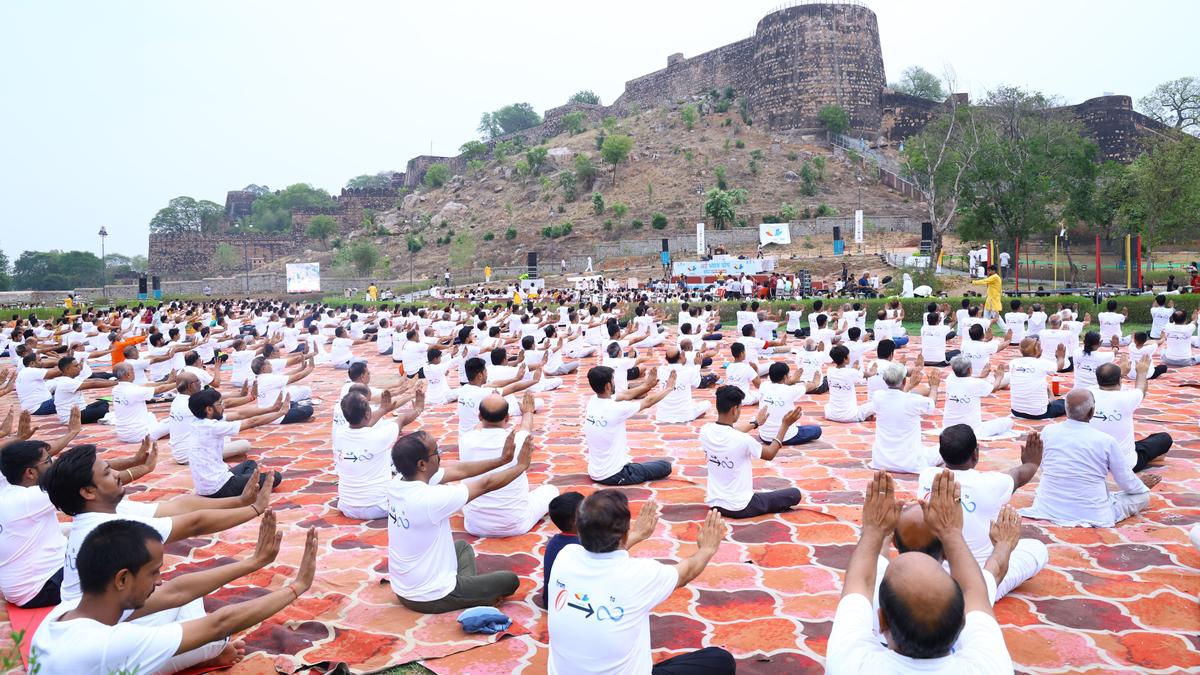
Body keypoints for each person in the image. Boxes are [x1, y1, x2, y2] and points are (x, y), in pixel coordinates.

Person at [30, 515, 317, 675]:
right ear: (122, 578)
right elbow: (218, 624)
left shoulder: (64, 612)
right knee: (216, 636)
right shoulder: (109, 644)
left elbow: (177, 591)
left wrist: (253, 562)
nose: (159, 580)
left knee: (185, 598)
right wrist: (296, 587)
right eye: (154, 572)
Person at [826, 470, 1013, 673]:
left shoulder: (849, 665)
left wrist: (874, 530)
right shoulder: (990, 667)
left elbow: (860, 581)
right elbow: (974, 590)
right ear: (963, 621)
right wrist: (952, 533)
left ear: (881, 621)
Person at [547, 491, 736, 675]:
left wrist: (637, 534)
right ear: (623, 535)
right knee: (720, 660)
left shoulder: (565, 556)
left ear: (578, 530)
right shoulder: (640, 576)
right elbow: (685, 572)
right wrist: (708, 548)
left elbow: (602, 555)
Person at [386, 429, 532, 613]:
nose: (440, 456)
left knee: (462, 547)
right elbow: (485, 484)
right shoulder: (430, 498)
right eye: (436, 452)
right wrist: (520, 466)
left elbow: (459, 470)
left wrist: (502, 460)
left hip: (403, 588)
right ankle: (468, 596)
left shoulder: (398, 482)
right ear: (422, 464)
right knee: (510, 580)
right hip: (432, 597)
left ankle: (469, 592)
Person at [919, 425, 1048, 599]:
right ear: (976, 453)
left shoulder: (927, 476)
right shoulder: (992, 484)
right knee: (1037, 549)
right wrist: (1032, 463)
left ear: (942, 455)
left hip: (933, 579)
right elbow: (1018, 475)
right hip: (981, 584)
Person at [1022, 389, 1160, 527]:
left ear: (1066, 409)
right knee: (1142, 496)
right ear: (1092, 411)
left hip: (1048, 506)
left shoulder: (1048, 431)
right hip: (1094, 513)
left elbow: (1047, 467)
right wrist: (1141, 487)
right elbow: (1125, 479)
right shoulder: (1106, 441)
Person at [0, 412, 81, 608]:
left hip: (21, 589)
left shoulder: (9, 488)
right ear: (29, 473)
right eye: (49, 463)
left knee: (79, 528)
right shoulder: (30, 498)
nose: (52, 465)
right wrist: (136, 466)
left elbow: (39, 457)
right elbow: (87, 478)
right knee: (115, 553)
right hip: (42, 589)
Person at [461, 393, 559, 537]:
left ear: (480, 417)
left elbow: (478, 427)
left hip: (475, 524)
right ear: (507, 418)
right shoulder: (518, 440)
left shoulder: (466, 440)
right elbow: (526, 427)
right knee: (551, 490)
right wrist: (528, 412)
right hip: (515, 524)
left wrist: (485, 415)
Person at [700, 386, 803, 518]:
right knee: (794, 494)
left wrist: (756, 423)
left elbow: (731, 433)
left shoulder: (705, 431)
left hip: (715, 505)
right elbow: (770, 453)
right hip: (741, 507)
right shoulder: (743, 440)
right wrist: (784, 425)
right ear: (734, 409)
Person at [333, 388, 420, 520]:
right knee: (415, 466)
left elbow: (367, 422)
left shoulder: (338, 433)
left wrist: (383, 410)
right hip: (379, 507)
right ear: (367, 414)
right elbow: (401, 419)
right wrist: (418, 408)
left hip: (347, 507)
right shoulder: (379, 436)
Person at [187, 387, 287, 498]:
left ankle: (245, 484)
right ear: (209, 410)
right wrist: (281, 413)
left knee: (249, 464)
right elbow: (252, 421)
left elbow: (240, 414)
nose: (223, 406)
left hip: (209, 484)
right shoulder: (212, 426)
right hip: (218, 488)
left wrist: (272, 409)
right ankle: (243, 488)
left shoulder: (197, 421)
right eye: (220, 403)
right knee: (275, 477)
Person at [583, 365, 676, 485]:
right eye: (613, 380)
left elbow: (625, 395)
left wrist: (646, 386)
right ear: (608, 386)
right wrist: (669, 388)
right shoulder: (616, 409)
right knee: (665, 466)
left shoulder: (593, 401)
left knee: (650, 465)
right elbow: (647, 402)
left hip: (595, 472)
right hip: (615, 474)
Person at [1091, 360, 1172, 472]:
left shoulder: (1085, 394)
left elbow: (1103, 384)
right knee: (1164, 438)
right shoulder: (1127, 398)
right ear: (1120, 380)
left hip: (1091, 461)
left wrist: (1120, 373)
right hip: (1124, 464)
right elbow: (1141, 390)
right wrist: (1142, 372)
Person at [869, 362, 942, 473]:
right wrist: (934, 387)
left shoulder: (877, 396)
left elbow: (897, 399)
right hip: (909, 463)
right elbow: (931, 403)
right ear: (904, 381)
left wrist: (910, 386)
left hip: (881, 461)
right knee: (945, 449)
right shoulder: (912, 400)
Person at [943, 356, 1013, 439]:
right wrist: (999, 377)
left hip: (947, 428)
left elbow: (966, 380)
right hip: (973, 430)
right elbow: (993, 388)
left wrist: (981, 376)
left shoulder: (949, 378)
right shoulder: (976, 383)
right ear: (970, 370)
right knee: (1008, 422)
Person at [758, 362, 823, 445]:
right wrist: (816, 382)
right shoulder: (791, 390)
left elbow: (780, 386)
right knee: (816, 430)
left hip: (765, 436)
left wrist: (791, 380)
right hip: (786, 437)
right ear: (785, 377)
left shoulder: (763, 386)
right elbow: (809, 386)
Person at [539, 491, 583, 608]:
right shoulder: (584, 546)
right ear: (576, 522)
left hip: (550, 600)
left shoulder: (553, 542)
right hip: (569, 605)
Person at [1009, 337, 1067, 419]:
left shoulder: (1013, 363)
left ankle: (1050, 400)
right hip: (1039, 413)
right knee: (1065, 402)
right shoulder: (1041, 363)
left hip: (1016, 411)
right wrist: (1060, 356)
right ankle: (1051, 401)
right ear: (1037, 351)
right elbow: (1059, 366)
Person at [654, 348, 709, 423]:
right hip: (685, 415)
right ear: (680, 357)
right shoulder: (688, 371)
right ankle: (695, 413)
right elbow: (696, 385)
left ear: (666, 359)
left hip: (662, 416)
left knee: (692, 402)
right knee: (707, 404)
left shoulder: (661, 370)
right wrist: (698, 365)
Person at [824, 345, 875, 423]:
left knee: (828, 405)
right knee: (875, 404)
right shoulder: (851, 373)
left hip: (831, 415)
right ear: (845, 359)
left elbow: (846, 375)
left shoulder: (830, 371)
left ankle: (865, 415)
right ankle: (864, 416)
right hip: (850, 416)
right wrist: (873, 371)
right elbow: (867, 374)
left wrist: (854, 370)